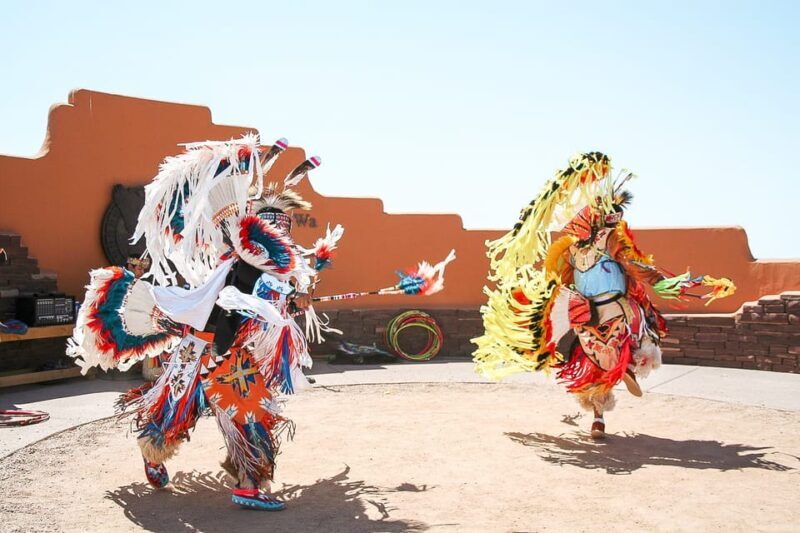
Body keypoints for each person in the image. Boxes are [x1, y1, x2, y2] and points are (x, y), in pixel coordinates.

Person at [68, 136, 343, 509]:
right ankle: (155, 454)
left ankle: (247, 482)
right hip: (203, 349)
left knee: (251, 414)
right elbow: (248, 293)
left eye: (283, 231)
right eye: (273, 231)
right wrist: (286, 294)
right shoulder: (241, 262)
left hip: (230, 353)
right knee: (175, 414)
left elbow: (267, 302)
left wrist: (293, 299)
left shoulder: (267, 267)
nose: (280, 238)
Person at [473, 152, 735, 438]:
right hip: (584, 309)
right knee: (580, 354)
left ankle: (630, 361)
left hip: (617, 304)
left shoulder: (610, 240)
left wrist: (659, 281)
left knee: (639, 325)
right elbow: (561, 280)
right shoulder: (569, 251)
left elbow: (631, 264)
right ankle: (595, 408)